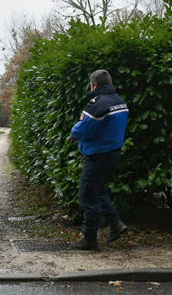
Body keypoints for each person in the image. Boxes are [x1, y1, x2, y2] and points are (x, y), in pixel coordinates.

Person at [69, 69, 129, 250]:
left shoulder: (98, 103)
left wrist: (73, 134)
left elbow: (83, 128)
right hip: (114, 154)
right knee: (98, 190)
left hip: (98, 155)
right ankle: (115, 222)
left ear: (94, 85)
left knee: (87, 196)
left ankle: (90, 239)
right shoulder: (120, 102)